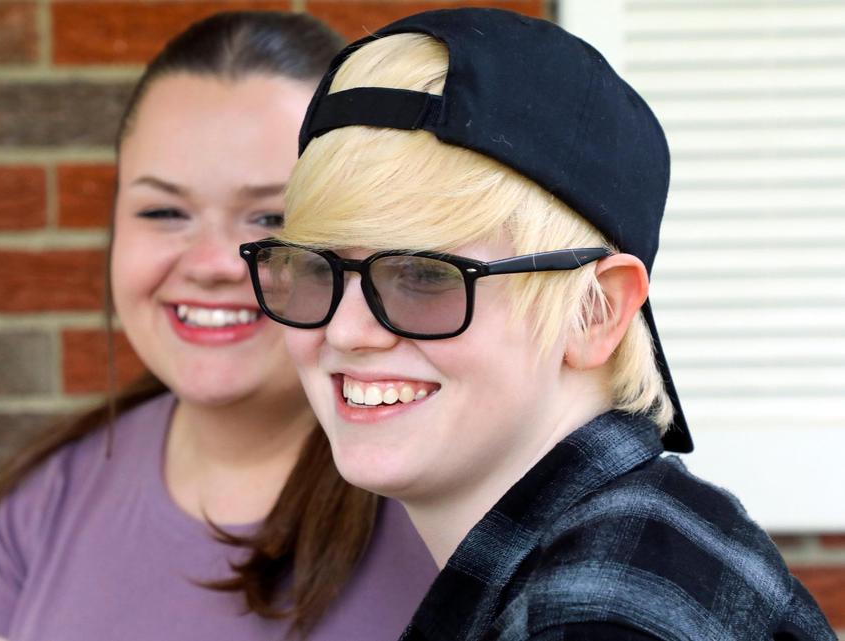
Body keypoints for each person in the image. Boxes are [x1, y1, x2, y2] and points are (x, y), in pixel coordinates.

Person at [241, 8, 836, 640]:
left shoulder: (602, 619)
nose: (346, 331)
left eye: (424, 276)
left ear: (595, 311)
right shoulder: (617, 556)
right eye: (311, 267)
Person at [0, 11, 437, 641]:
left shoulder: (450, 515)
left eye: (271, 217)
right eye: (164, 210)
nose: (215, 264)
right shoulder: (42, 502)